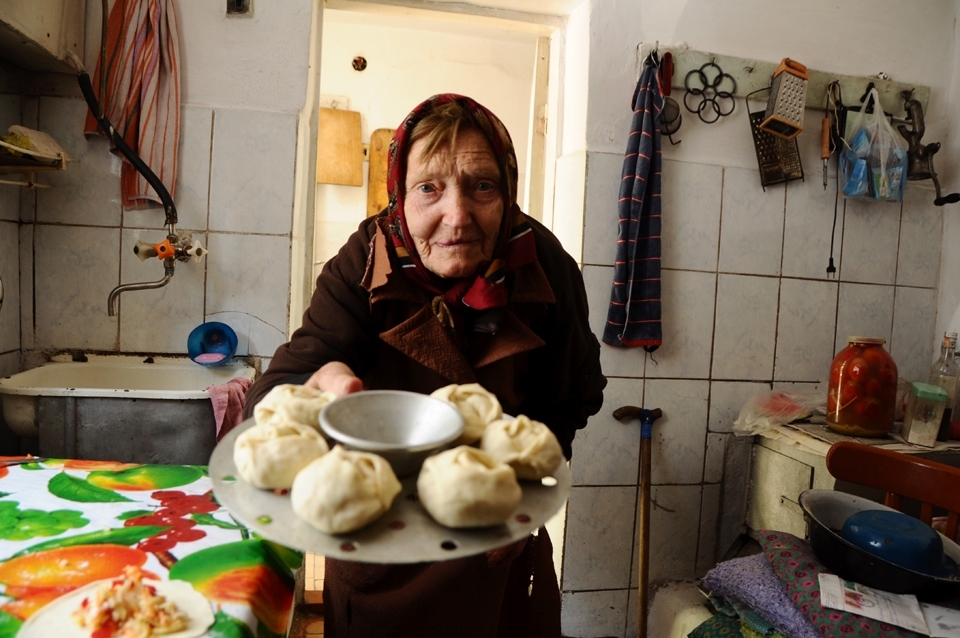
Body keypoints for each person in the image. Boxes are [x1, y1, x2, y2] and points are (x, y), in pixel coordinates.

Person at [243, 94, 606, 638]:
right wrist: (315, 386)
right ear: (399, 194)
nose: (456, 217)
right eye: (429, 188)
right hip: (382, 546)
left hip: (496, 548)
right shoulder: (366, 259)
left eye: (482, 186)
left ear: (507, 192)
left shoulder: (545, 266)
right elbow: (278, 388)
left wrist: (523, 502)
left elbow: (569, 397)